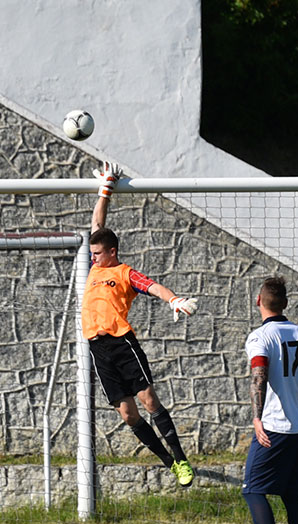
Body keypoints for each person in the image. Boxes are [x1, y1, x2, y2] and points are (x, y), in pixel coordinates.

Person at [84, 162, 198, 486]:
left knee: (148, 401)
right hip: (97, 348)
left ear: (112, 252)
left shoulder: (124, 273)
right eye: (92, 253)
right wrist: (105, 190)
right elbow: (97, 224)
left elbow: (154, 287)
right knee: (128, 414)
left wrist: (173, 299)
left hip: (121, 342)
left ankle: (181, 458)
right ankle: (169, 463)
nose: (92, 257)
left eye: (97, 253)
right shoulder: (95, 267)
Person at [239, 277, 298, 524]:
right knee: (291, 493)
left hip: (273, 426)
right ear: (285, 303)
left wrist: (257, 418)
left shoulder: (260, 336)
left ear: (258, 301)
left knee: (252, 489)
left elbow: (259, 375)